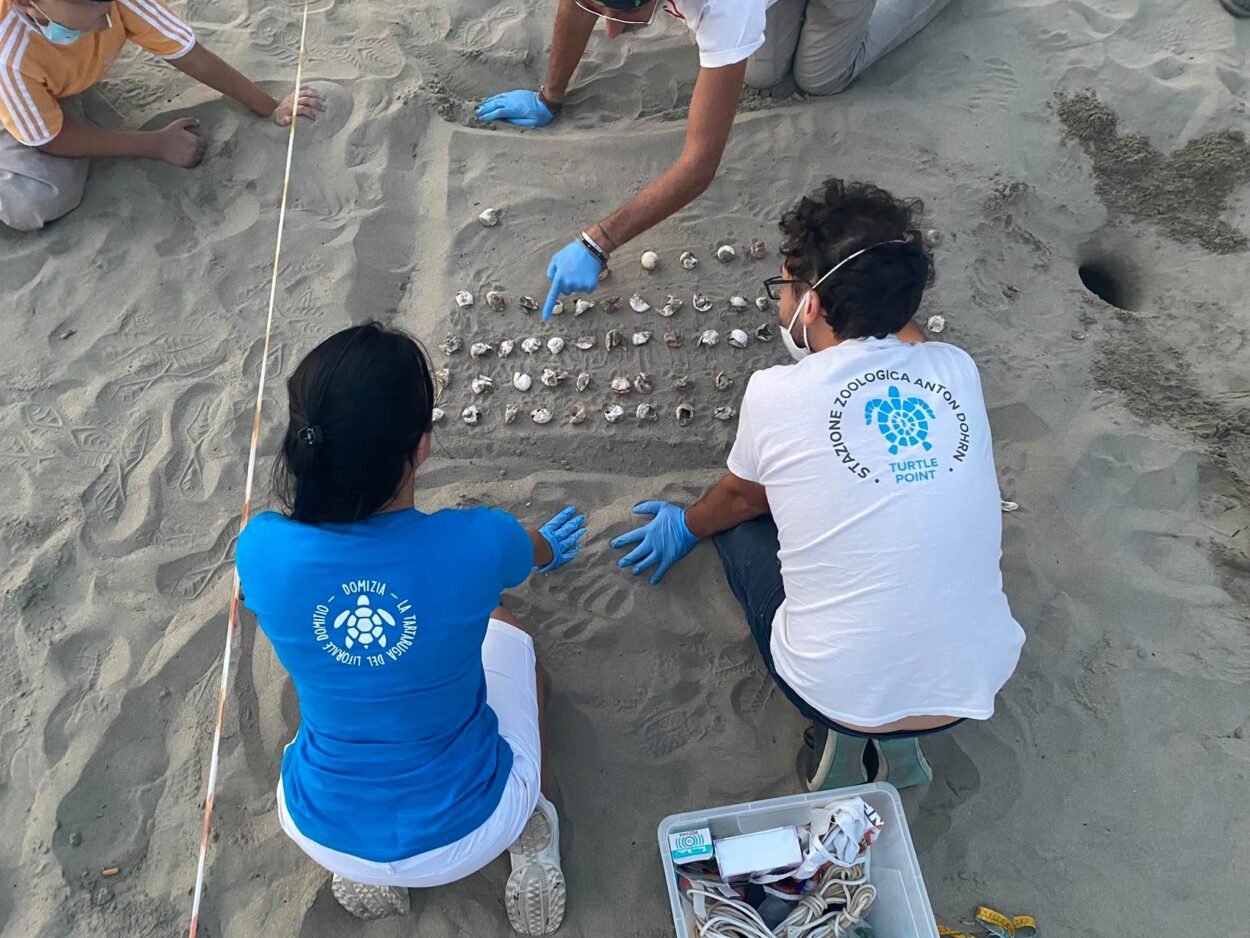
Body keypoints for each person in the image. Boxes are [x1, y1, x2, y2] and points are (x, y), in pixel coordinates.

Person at [610, 179, 1024, 791]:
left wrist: (686, 525)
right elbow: (900, 337)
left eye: (787, 288)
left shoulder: (777, 393)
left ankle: (838, 745)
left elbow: (738, 500)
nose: (781, 305)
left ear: (813, 303)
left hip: (836, 691)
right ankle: (903, 754)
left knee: (743, 520)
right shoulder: (955, 371)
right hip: (971, 686)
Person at [236, 323, 586, 935]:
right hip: (474, 823)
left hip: (321, 828)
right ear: (419, 446)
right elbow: (531, 552)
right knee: (510, 633)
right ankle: (533, 837)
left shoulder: (260, 547)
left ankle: (371, 874)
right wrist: (546, 551)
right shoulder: (474, 540)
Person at [475, 0, 952, 319]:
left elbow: (699, 164)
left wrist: (597, 242)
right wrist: (549, 95)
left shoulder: (726, 4)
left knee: (820, 77)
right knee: (763, 75)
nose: (613, 31)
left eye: (628, 16)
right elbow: (579, 4)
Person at [0, 0, 323, 232]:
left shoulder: (111, 5)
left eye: (107, 7)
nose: (106, 23)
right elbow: (53, 138)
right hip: (10, 96)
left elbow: (190, 55)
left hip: (49, 88)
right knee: (36, 200)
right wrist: (154, 144)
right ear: (28, 5)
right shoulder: (7, 52)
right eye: (92, 11)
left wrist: (270, 106)